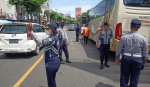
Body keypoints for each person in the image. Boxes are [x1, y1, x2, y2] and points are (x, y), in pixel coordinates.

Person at [26, 21, 60, 87]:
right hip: (54, 61)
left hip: (51, 63)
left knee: (51, 83)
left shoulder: (52, 39)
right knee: (52, 80)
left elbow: (40, 42)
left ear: (52, 29)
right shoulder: (53, 37)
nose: (46, 30)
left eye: (48, 29)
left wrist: (31, 32)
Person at [115, 19, 148, 87]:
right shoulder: (143, 38)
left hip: (126, 58)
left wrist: (117, 58)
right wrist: (144, 60)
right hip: (137, 59)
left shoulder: (124, 37)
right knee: (135, 78)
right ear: (138, 28)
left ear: (130, 26)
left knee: (124, 77)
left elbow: (119, 49)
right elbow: (145, 51)